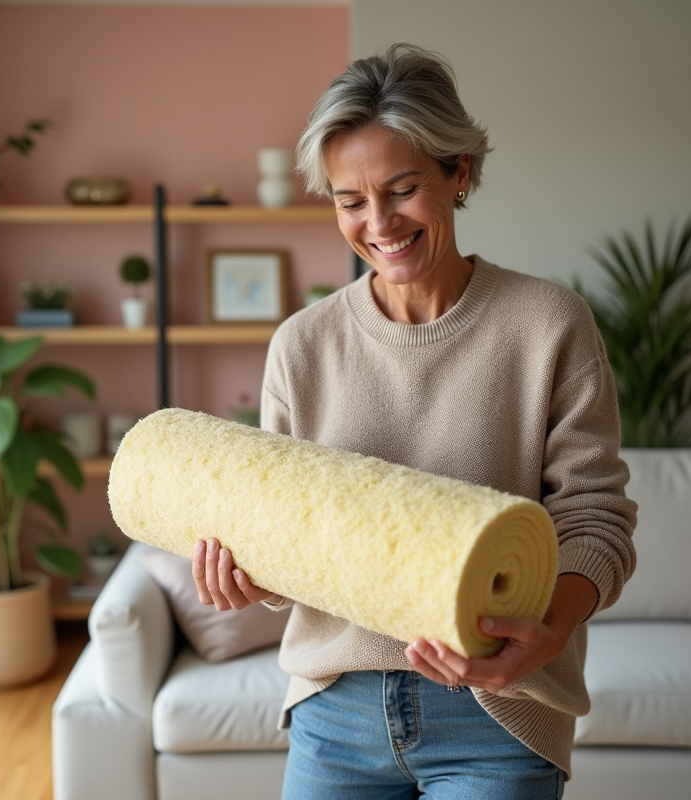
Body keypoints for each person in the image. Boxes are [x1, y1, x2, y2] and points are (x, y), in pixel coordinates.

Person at [192, 42, 637, 800]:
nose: (378, 224)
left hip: (498, 713)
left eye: (401, 189)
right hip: (336, 712)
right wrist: (245, 577)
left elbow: (596, 520)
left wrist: (548, 635)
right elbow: (284, 528)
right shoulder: (302, 345)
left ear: (458, 172)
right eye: (349, 200)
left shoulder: (547, 324)